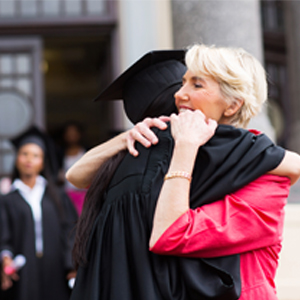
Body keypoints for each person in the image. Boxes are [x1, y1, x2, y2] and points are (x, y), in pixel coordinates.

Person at [67, 45, 300, 300]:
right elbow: (75, 175)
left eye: (196, 85)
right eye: (182, 82)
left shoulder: (260, 175)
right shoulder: (156, 154)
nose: (179, 94)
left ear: (233, 105)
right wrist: (128, 137)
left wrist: (185, 146)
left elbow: (171, 234)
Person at [0, 126, 78, 300]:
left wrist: (72, 265)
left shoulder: (58, 197)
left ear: (43, 162)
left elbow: (70, 230)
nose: (29, 160)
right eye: (24, 154)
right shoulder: (7, 199)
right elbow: (3, 234)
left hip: (56, 267)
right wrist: (5, 257)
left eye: (36, 156)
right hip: (23, 270)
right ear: (16, 159)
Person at [57, 121, 87, 215]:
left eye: (74, 133)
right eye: (69, 133)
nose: (71, 136)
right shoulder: (60, 154)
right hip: (67, 193)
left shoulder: (86, 152)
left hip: (84, 193)